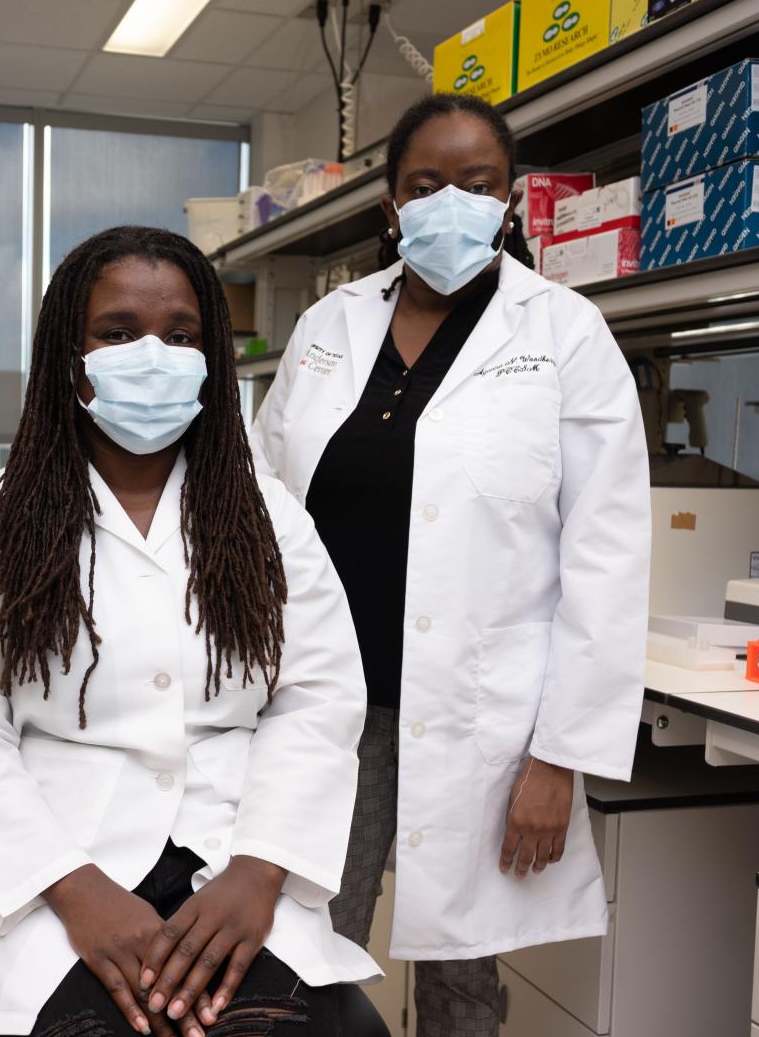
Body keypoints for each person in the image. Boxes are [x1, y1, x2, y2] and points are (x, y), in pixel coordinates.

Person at [0, 226, 386, 1037]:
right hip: (61, 861)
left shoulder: (266, 517)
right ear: (69, 354)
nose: (152, 354)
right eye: (118, 333)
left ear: (211, 357)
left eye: (181, 335)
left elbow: (316, 700)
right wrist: (74, 888)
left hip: (233, 852)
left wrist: (259, 869)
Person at [249, 94, 651, 1035]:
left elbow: (608, 553)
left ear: (510, 202)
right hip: (323, 707)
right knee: (298, 947)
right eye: (426, 185)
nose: (452, 204)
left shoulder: (564, 333)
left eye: (479, 185)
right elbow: (262, 510)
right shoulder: (326, 328)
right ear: (391, 206)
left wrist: (558, 758)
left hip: (483, 721)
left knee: (461, 980)